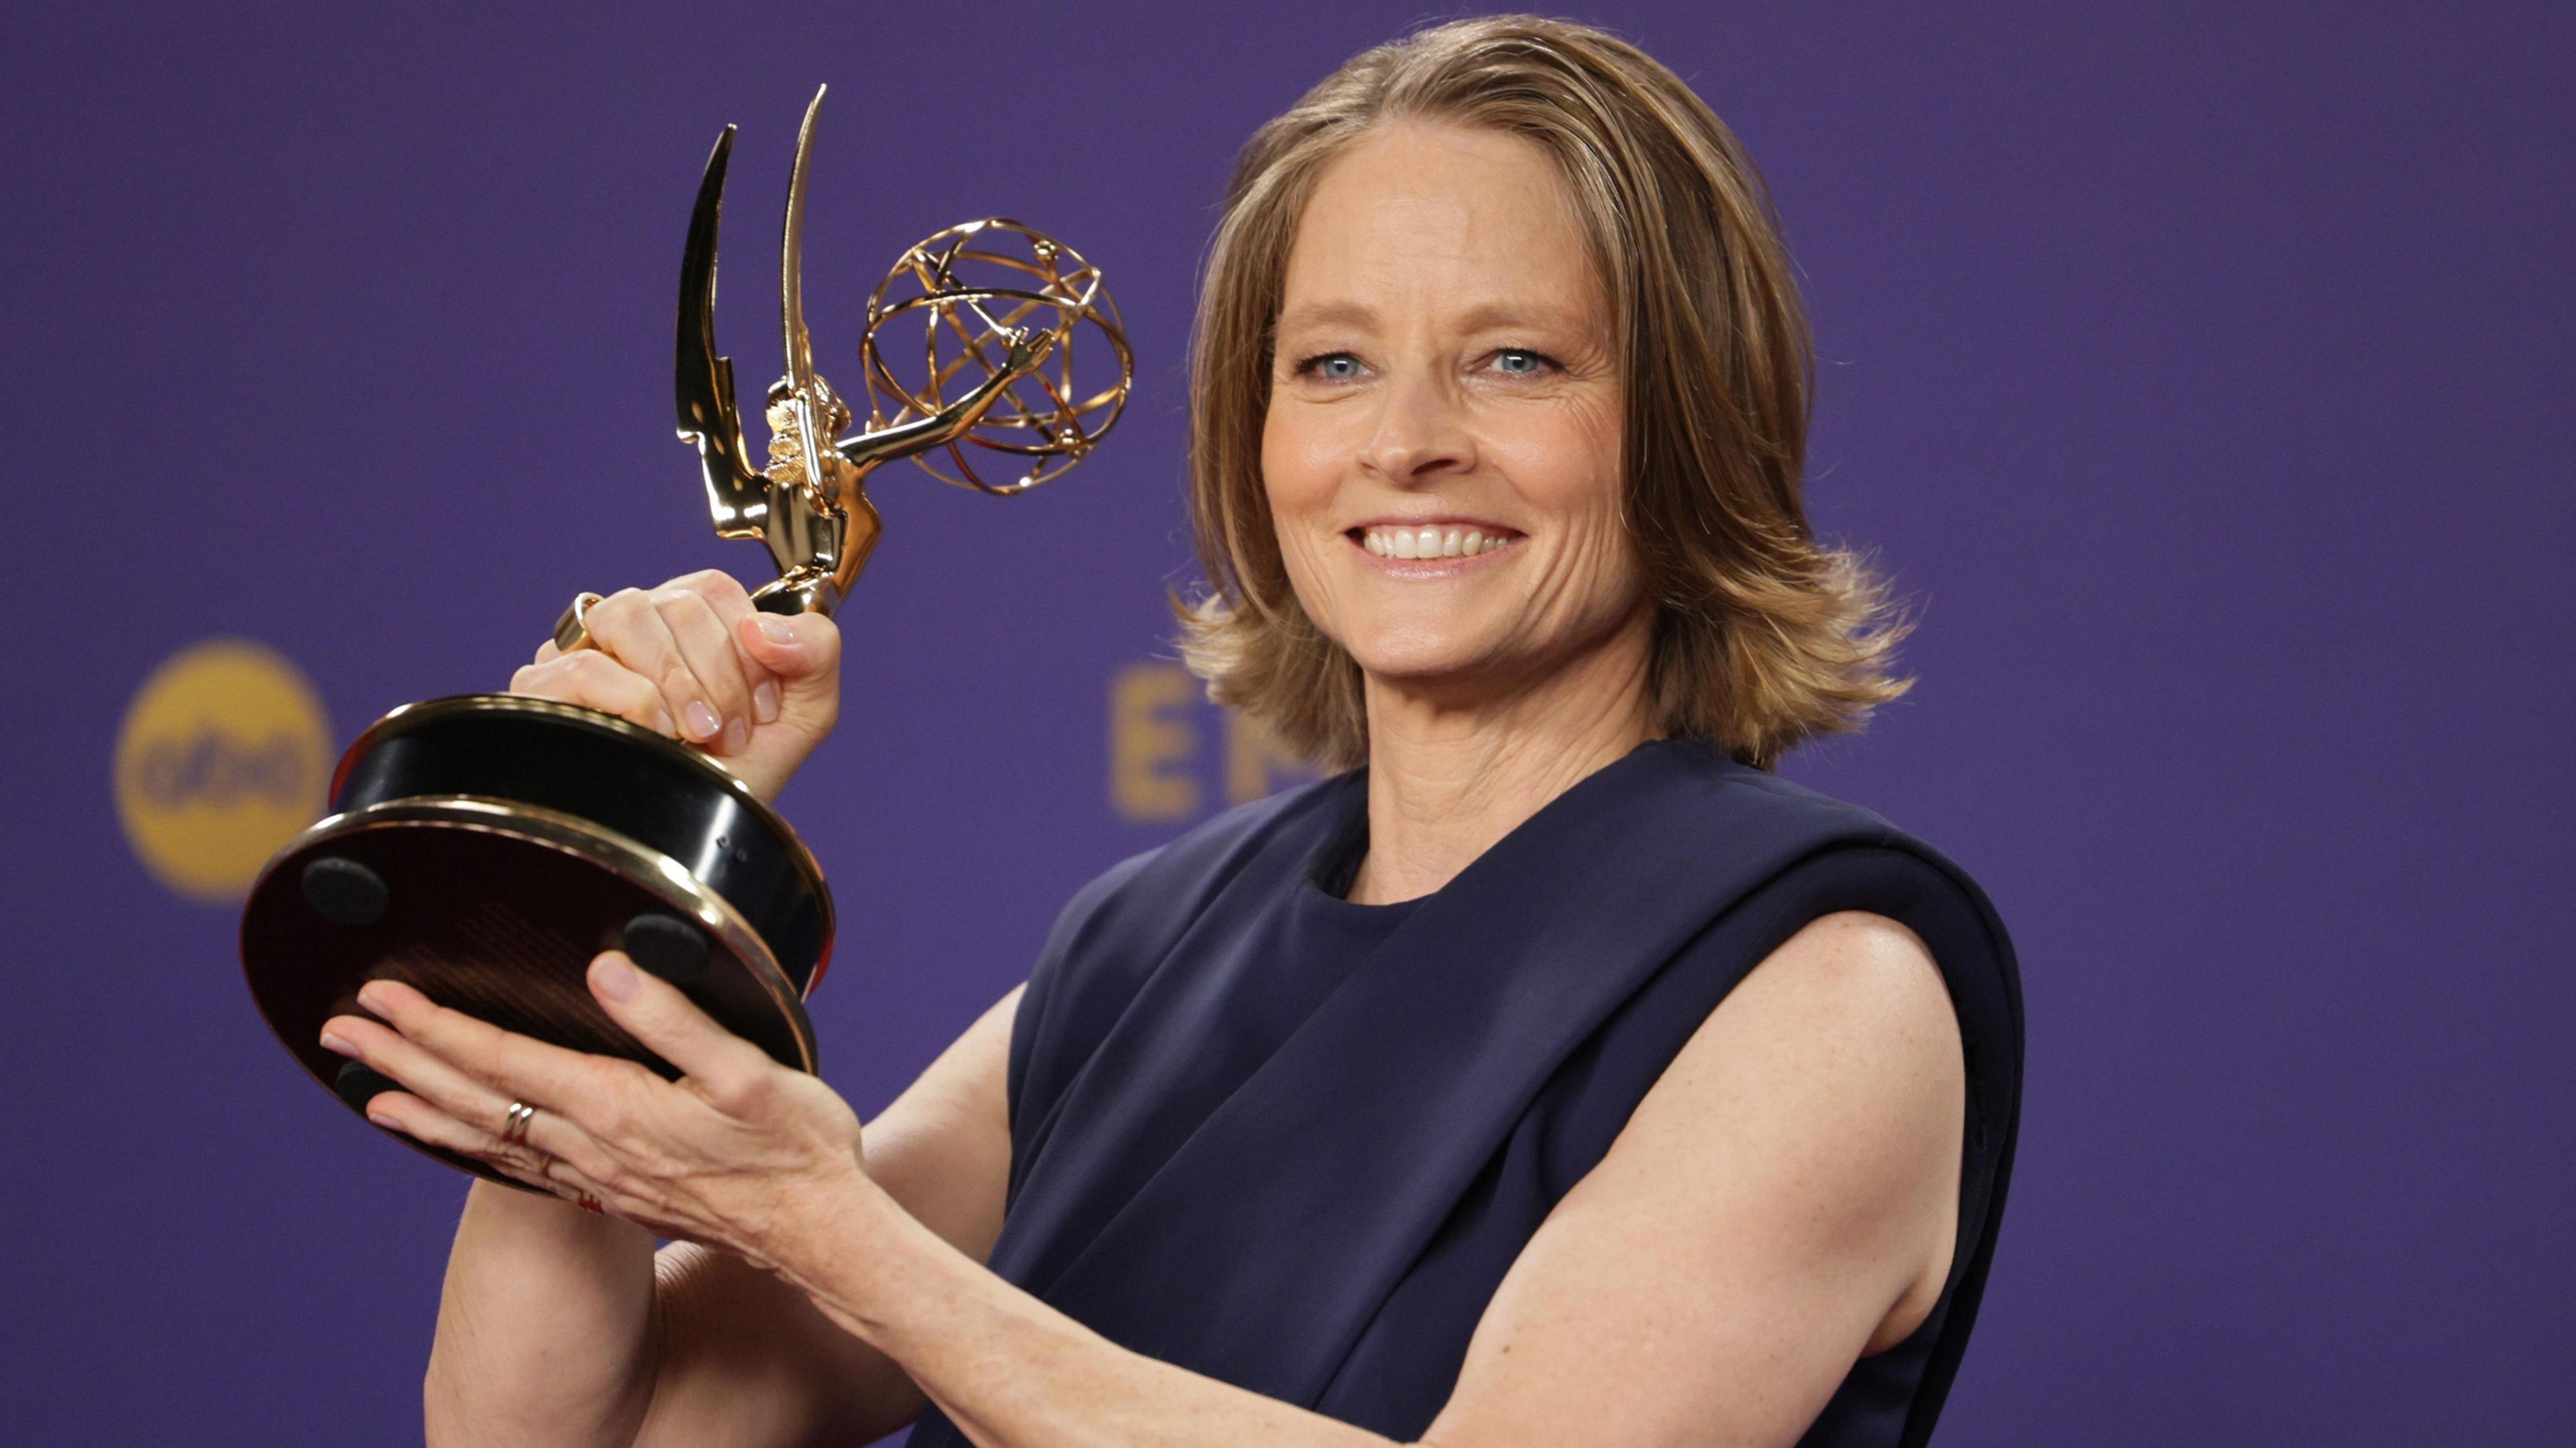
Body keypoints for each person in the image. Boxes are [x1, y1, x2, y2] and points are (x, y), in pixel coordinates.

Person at [319, 15, 2022, 1447]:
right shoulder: (1140, 950)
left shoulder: (1826, 992)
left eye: (1516, 360)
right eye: (1334, 366)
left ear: (1690, 423)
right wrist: (619, 886)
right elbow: (587, 1436)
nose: (1406, 443)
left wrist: (835, 1233)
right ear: (1252, 433)